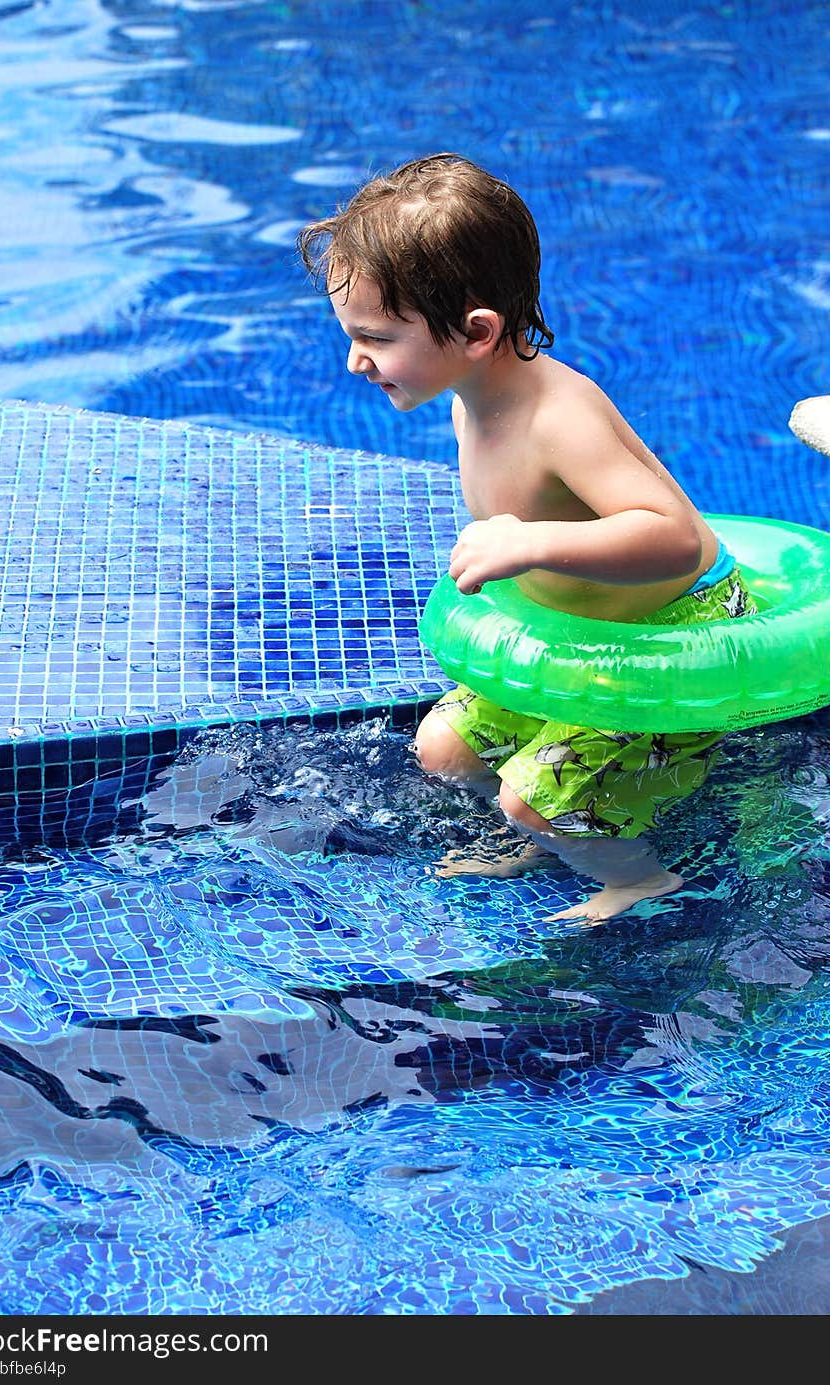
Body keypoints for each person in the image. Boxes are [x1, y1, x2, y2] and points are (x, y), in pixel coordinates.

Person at [297, 152, 757, 924]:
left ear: (475, 332)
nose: (355, 359)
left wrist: (532, 542)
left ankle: (638, 875)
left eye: (374, 335)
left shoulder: (560, 417)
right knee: (441, 751)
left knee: (529, 801)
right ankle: (553, 834)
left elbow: (674, 537)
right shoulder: (463, 396)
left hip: (676, 635)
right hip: (585, 630)